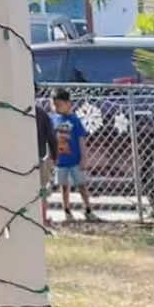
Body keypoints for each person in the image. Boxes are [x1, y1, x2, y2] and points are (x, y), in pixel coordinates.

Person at [51, 87, 94, 222]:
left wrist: (84, 158)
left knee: (81, 184)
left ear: (69, 104)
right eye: (55, 105)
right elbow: (52, 139)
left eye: (60, 104)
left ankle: (87, 208)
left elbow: (81, 140)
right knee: (64, 186)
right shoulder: (53, 120)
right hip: (61, 161)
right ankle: (67, 210)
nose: (57, 108)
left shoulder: (75, 120)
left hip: (75, 160)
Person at [35, 99, 57, 233]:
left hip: (21, 158)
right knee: (41, 190)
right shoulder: (41, 113)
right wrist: (54, 156)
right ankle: (42, 219)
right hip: (39, 158)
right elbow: (52, 137)